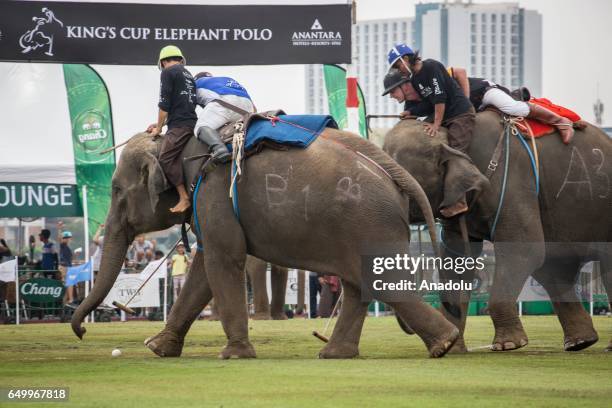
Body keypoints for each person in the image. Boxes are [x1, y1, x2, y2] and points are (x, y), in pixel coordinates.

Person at [386, 44, 475, 218]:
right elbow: (429, 103)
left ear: (405, 60)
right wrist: (411, 112)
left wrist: (436, 124)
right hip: (445, 115)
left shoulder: (431, 67)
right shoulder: (416, 79)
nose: (399, 71)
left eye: (397, 66)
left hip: (460, 115)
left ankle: (459, 201)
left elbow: (440, 98)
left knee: (456, 154)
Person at [446, 66, 574, 143]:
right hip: (474, 109)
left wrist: (466, 101)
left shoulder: (434, 73)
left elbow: (460, 71)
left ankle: (560, 121)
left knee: (513, 108)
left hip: (484, 92)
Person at [146, 45, 197, 213]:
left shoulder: (167, 72)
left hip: (179, 126)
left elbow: (164, 104)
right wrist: (160, 123)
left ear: (162, 62)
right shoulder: (188, 74)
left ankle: (184, 197)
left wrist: (159, 128)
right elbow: (180, 105)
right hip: (190, 123)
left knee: (165, 159)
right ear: (181, 59)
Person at [193, 72, 256, 163]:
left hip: (224, 102)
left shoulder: (196, 83)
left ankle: (219, 149)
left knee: (200, 126)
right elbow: (254, 109)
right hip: (248, 108)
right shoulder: (228, 79)